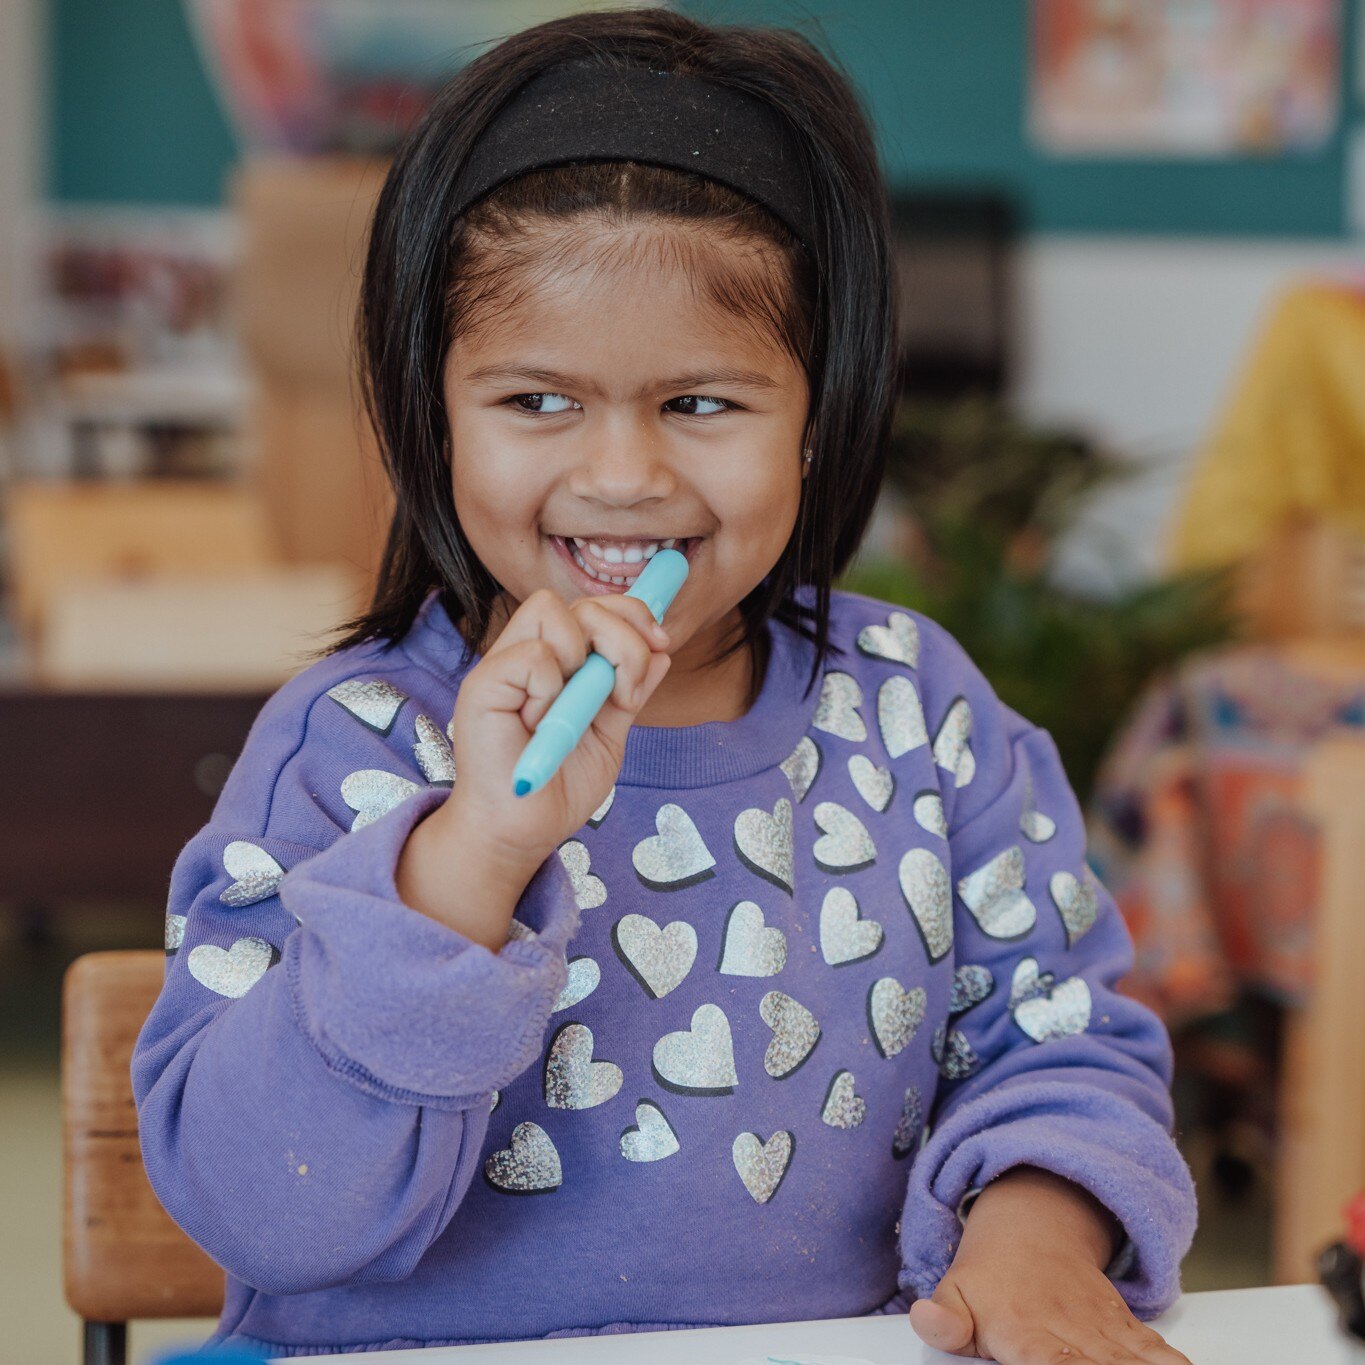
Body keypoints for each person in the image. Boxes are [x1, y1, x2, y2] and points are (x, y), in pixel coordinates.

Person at [132, 8, 1197, 1360]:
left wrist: (1033, 1234)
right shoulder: (349, 742)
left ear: (821, 413)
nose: (624, 475)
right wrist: (470, 853)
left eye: (702, 403)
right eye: (535, 402)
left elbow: (1062, 1044)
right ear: (428, 412)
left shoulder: (920, 714)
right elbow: (255, 1205)